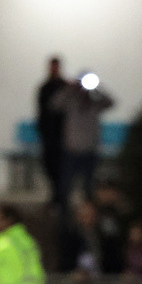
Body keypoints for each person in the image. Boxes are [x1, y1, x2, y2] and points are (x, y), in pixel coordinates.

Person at [49, 74, 114, 212]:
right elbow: (54, 104)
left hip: (90, 152)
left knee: (89, 187)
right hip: (72, 151)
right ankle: (64, 215)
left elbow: (111, 102)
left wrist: (98, 88)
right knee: (66, 187)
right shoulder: (71, 102)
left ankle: (90, 215)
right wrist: (70, 88)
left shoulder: (96, 103)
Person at [36, 56, 66, 207]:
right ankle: (56, 195)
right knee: (50, 166)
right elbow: (41, 111)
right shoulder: (45, 88)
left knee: (60, 167)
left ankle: (59, 196)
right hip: (49, 135)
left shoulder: (64, 87)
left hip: (62, 136)